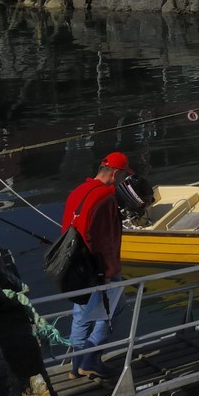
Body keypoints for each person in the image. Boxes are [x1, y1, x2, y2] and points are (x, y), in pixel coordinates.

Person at [62, 152, 130, 379]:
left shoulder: (78, 191)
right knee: (113, 311)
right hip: (99, 269)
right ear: (115, 173)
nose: (122, 181)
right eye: (122, 176)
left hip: (75, 266)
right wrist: (108, 272)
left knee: (81, 316)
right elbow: (107, 238)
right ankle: (90, 360)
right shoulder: (105, 197)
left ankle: (75, 366)